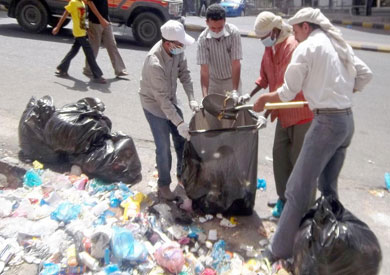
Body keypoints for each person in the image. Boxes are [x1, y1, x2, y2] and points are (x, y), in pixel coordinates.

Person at [253, 8, 373, 261]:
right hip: (346, 121)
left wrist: (265, 99)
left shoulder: (305, 48)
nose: (294, 35)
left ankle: (277, 251)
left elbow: (287, 92)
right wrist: (340, 92)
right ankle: (332, 244)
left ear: (306, 27)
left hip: (327, 123)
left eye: (296, 30)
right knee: (327, 188)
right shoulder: (336, 44)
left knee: (297, 190)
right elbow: (364, 75)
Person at [240, 11, 314, 218]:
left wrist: (264, 112)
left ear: (274, 30)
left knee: (300, 162)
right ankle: (284, 198)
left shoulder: (292, 48)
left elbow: (284, 89)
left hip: (300, 113)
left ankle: (303, 211)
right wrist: (248, 94)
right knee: (280, 156)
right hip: (282, 113)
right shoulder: (270, 48)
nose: (262, 41)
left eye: (263, 36)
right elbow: (265, 77)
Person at [139, 20, 199, 200]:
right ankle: (163, 185)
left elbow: (185, 74)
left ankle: (182, 177)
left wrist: (192, 98)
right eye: (180, 44)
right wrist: (180, 123)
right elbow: (162, 102)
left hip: (170, 99)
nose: (182, 48)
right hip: (154, 105)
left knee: (182, 141)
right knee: (163, 147)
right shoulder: (154, 62)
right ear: (168, 44)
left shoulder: (177, 51)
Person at [52, 0, 106, 84]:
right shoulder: (73, 3)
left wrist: (88, 31)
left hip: (82, 32)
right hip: (78, 33)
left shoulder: (83, 4)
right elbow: (65, 14)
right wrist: (57, 27)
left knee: (74, 51)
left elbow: (82, 20)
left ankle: (62, 68)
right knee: (89, 53)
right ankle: (97, 75)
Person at [197, 4, 242, 98]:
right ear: (207, 23)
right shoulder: (202, 39)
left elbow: (236, 63)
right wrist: (205, 97)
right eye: (213, 28)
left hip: (231, 79)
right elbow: (204, 70)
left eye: (220, 27)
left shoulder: (233, 33)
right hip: (213, 81)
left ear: (225, 21)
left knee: (233, 109)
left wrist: (234, 90)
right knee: (212, 110)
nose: (217, 31)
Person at [83, 0, 128, 78]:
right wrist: (100, 19)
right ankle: (88, 69)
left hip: (106, 20)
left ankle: (119, 70)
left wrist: (105, 20)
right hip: (95, 22)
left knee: (112, 45)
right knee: (94, 47)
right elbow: (90, 3)